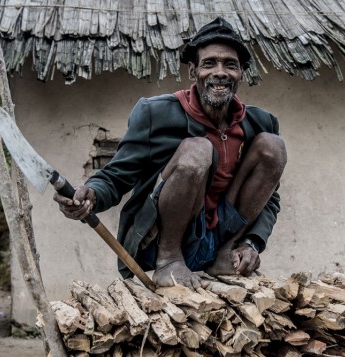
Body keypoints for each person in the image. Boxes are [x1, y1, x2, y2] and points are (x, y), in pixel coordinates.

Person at [53, 17, 287, 289]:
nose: (220, 72)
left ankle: (225, 256)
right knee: (198, 150)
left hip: (221, 238)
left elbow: (270, 198)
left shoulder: (259, 123)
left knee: (274, 146)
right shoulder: (156, 113)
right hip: (163, 240)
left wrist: (251, 242)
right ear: (193, 71)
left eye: (230, 64)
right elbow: (117, 176)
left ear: (241, 73)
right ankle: (169, 260)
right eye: (209, 63)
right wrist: (90, 194)